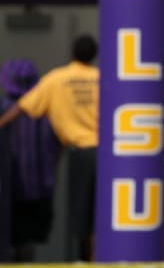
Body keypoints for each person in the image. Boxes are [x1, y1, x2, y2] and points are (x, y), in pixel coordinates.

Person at [0, 35, 99, 261]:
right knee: (100, 214)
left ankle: (89, 259)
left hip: (80, 153)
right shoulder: (103, 78)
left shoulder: (56, 80)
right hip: (108, 154)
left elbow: (23, 107)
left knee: (82, 216)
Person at [0, 59, 60, 262]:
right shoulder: (47, 112)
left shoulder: (5, 109)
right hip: (39, 187)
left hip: (10, 188)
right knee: (28, 241)